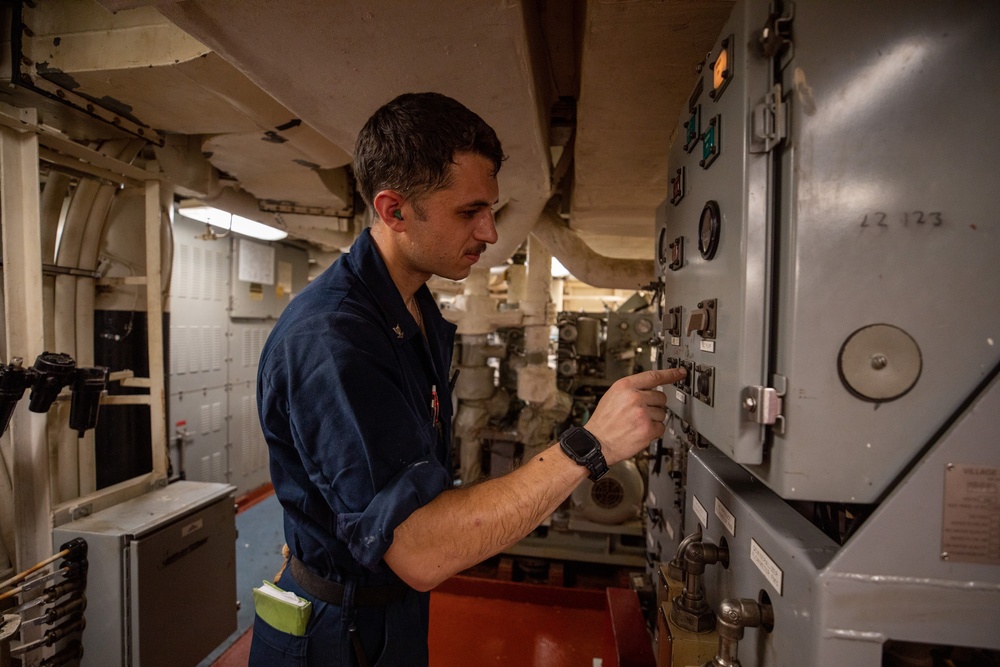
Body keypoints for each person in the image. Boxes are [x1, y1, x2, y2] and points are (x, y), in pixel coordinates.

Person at [251, 92, 685, 666]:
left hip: (389, 612)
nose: (489, 232)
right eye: (468, 212)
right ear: (394, 210)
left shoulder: (411, 311)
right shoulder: (333, 340)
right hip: (338, 630)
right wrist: (592, 443)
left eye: (492, 211)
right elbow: (421, 552)